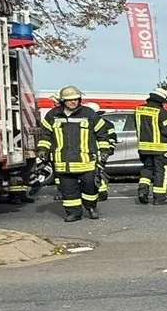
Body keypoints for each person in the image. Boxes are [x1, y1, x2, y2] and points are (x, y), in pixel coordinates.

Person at [36, 85, 113, 222]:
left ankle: (90, 208)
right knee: (69, 191)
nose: (73, 102)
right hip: (63, 162)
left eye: (76, 99)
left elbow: (102, 134)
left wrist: (104, 151)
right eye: (70, 100)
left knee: (90, 188)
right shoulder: (53, 115)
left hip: (86, 161)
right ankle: (74, 213)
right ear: (62, 101)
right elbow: (46, 135)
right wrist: (43, 149)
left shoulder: (89, 114)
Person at [134, 88, 167, 204]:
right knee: (160, 171)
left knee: (147, 169)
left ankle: (142, 191)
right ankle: (159, 198)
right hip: (159, 148)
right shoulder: (161, 112)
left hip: (143, 147)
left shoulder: (139, 109)